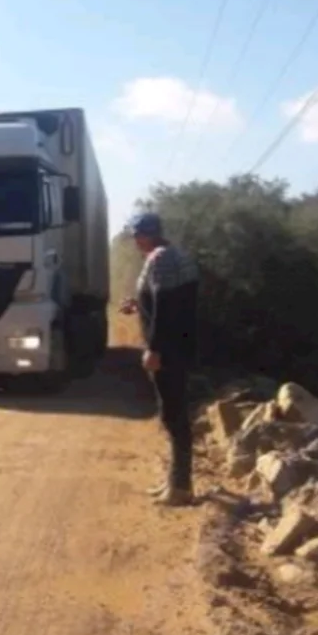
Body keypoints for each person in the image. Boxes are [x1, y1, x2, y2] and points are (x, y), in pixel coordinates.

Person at [118, 212, 200, 507]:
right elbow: (163, 299)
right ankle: (175, 481)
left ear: (147, 234)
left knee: (173, 415)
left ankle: (180, 487)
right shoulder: (172, 256)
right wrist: (137, 304)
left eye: (137, 235)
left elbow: (166, 308)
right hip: (178, 348)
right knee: (173, 413)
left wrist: (154, 349)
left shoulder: (161, 259)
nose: (135, 241)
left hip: (170, 350)